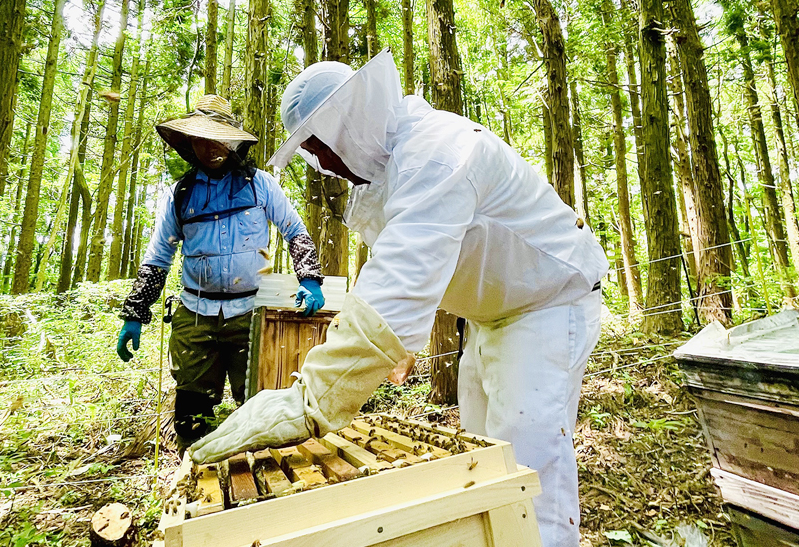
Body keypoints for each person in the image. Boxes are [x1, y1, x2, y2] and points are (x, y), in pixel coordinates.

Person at [188, 52, 608, 547]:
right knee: (483, 456)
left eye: (320, 143)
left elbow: (407, 270)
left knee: (527, 465)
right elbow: (403, 265)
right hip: (491, 317)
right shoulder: (395, 168)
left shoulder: (437, 150)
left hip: (549, 303)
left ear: (353, 118)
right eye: (309, 149)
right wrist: (400, 344)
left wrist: (311, 400)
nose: (321, 161)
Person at [116, 94, 326, 453]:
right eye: (201, 139)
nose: (209, 148)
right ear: (189, 143)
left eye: (217, 140)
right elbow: (159, 256)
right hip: (194, 315)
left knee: (261, 403)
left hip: (251, 314)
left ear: (232, 142)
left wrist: (309, 278)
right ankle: (195, 480)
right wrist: (135, 313)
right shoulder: (179, 195)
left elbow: (295, 231)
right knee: (192, 410)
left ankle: (262, 482)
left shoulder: (261, 185)